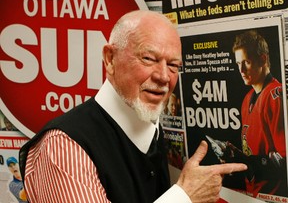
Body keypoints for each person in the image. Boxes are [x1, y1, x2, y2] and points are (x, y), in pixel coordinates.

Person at [19, 10, 247, 203]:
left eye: (174, 65)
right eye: (148, 59)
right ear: (110, 59)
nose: (163, 77)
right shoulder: (62, 147)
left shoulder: (152, 127)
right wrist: (184, 196)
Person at [232, 30, 287, 197]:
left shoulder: (275, 96)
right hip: (251, 193)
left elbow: (283, 162)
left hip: (272, 195)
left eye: (246, 62)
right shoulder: (247, 99)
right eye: (238, 63)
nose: (241, 69)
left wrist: (252, 162)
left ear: (262, 59)